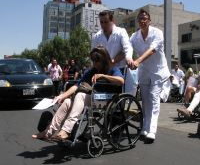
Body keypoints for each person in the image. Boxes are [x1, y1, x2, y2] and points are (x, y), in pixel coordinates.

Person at [32, 46, 124, 140]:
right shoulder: (92, 71)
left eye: (97, 61)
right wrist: (62, 96)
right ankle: (48, 132)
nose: (95, 64)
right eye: (93, 61)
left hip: (107, 100)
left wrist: (103, 76)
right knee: (67, 102)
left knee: (80, 95)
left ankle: (66, 130)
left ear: (104, 60)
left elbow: (121, 81)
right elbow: (76, 86)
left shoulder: (113, 69)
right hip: (93, 99)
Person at [130, 9, 170, 143]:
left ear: (149, 20)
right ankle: (145, 128)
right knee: (145, 101)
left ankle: (152, 130)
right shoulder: (134, 37)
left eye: (145, 18)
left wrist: (137, 61)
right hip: (144, 72)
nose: (142, 21)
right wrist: (129, 58)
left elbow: (152, 50)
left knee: (154, 98)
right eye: (140, 18)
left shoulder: (157, 33)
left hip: (158, 71)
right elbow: (127, 48)